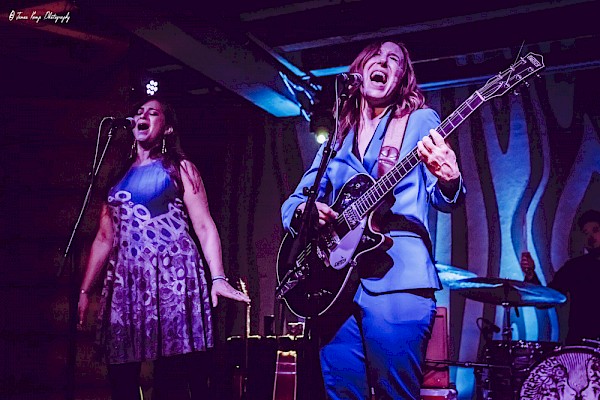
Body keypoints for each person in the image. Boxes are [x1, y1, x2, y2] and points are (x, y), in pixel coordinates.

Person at [281, 41, 465, 399]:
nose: (383, 62)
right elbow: (296, 200)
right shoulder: (337, 137)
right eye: (376, 57)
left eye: (394, 60)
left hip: (397, 276)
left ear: (402, 79)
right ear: (359, 72)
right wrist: (305, 212)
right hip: (333, 286)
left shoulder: (419, 121)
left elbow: (442, 196)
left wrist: (450, 179)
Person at [77, 95, 250, 400]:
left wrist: (218, 277)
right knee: (121, 374)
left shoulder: (180, 168)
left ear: (168, 128)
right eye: (139, 111)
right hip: (127, 282)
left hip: (172, 277)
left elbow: (204, 225)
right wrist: (85, 291)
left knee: (171, 377)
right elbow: (104, 237)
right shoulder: (117, 176)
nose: (143, 116)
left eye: (153, 113)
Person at [521, 209, 600, 344]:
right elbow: (546, 300)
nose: (591, 237)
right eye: (586, 233)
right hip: (579, 345)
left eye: (595, 230)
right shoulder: (575, 267)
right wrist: (530, 274)